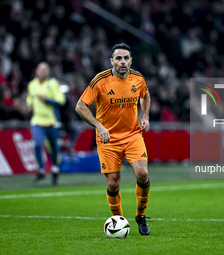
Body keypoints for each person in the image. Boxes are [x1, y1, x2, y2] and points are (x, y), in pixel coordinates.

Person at [75, 43, 151, 235]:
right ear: (112, 61)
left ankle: (140, 216)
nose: (122, 62)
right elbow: (80, 106)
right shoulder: (100, 81)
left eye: (126, 58)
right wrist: (99, 126)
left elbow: (146, 95)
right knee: (113, 183)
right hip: (108, 139)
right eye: (118, 58)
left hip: (133, 135)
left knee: (142, 174)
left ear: (131, 60)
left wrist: (145, 116)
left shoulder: (138, 78)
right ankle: (119, 220)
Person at [26, 62, 66, 185]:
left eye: (45, 69)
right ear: (36, 71)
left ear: (48, 72)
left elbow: (61, 100)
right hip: (37, 120)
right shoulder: (32, 85)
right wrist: (29, 106)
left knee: (53, 148)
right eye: (40, 69)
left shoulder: (53, 84)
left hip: (51, 121)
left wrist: (47, 100)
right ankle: (41, 170)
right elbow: (30, 100)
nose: (42, 72)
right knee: (38, 144)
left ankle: (54, 169)